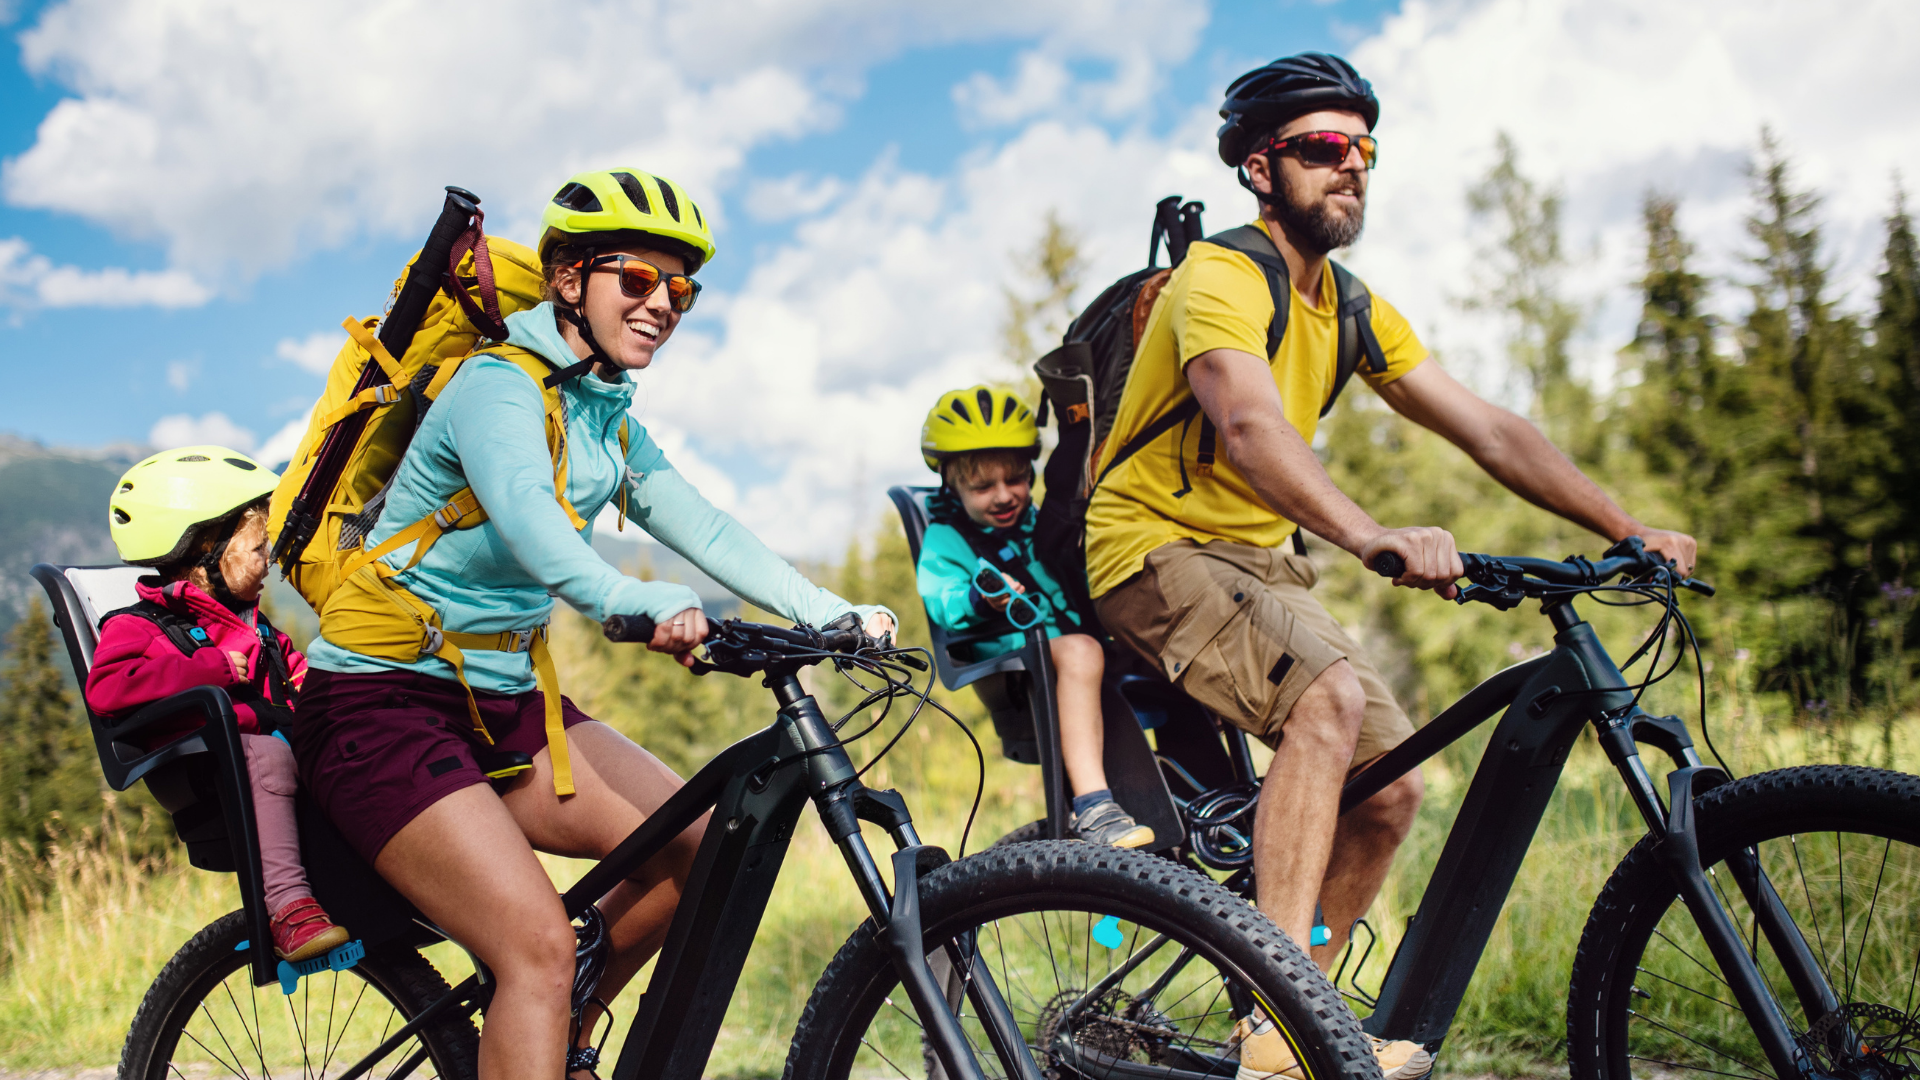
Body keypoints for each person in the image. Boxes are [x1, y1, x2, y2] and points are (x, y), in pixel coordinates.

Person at [1083, 54, 1699, 1080]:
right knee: (1324, 704)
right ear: (1259, 168)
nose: (1353, 168)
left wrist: (1623, 524)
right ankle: (1277, 1031)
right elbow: (1244, 423)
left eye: (1364, 150)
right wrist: (1368, 532)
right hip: (1154, 547)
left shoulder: (1353, 305)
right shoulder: (1223, 277)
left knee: (1389, 791)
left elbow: (1488, 429)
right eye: (1326, 149)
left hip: (1260, 566)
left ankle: (1302, 1011)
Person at [288, 167, 894, 1080]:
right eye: (637, 280)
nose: (663, 305)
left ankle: (551, 1034)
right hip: (380, 708)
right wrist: (625, 598)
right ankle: (536, 999)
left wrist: (833, 615)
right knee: (534, 947)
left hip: (502, 703)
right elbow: (530, 519)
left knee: (699, 850)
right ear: (567, 279)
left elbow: (705, 526)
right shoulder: (495, 386)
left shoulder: (605, 413)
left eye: (679, 289)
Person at [88, 446, 348, 963]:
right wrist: (210, 669)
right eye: (258, 548)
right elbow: (107, 689)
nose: (268, 560)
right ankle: (288, 907)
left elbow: (296, 675)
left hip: (267, 748)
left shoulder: (256, 626)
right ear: (207, 550)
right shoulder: (136, 626)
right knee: (268, 755)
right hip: (207, 765)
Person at [915, 386, 1152, 848]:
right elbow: (943, 600)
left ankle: (1207, 792)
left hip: (1070, 651)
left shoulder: (1039, 524)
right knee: (1082, 650)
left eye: (1016, 480)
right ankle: (1094, 807)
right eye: (983, 487)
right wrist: (982, 598)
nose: (1004, 496)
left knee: (1157, 638)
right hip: (1017, 666)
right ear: (952, 486)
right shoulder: (946, 540)